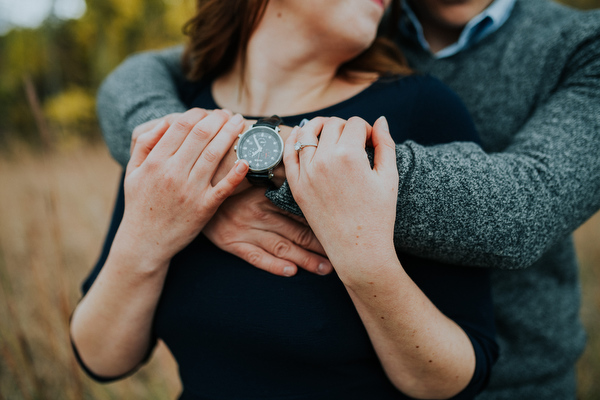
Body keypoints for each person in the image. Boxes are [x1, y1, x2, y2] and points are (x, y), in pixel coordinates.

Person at [92, 0, 600, 399]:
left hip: (516, 383)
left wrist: (248, 159)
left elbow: (522, 213)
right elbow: (135, 78)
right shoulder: (181, 115)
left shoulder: (572, 47)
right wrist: (191, 183)